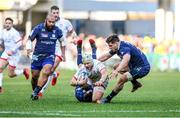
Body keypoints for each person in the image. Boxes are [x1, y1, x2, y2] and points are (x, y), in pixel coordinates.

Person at [98, 34, 150, 103]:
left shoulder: (123, 48)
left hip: (142, 68)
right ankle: (136, 83)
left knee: (122, 79)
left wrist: (116, 71)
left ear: (116, 43)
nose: (109, 47)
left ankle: (108, 99)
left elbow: (126, 60)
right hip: (134, 66)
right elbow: (105, 56)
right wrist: (94, 61)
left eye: (110, 45)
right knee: (116, 66)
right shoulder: (117, 46)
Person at [39, 5, 77, 97]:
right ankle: (55, 74)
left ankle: (41, 91)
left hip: (60, 49)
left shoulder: (65, 22)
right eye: (54, 13)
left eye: (57, 13)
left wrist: (74, 38)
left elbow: (72, 32)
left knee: (49, 70)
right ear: (51, 13)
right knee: (46, 70)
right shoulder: (48, 23)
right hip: (49, 48)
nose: (55, 15)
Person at [26, 14, 64, 100]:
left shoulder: (57, 30)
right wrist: (28, 50)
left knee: (47, 71)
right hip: (37, 56)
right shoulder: (38, 28)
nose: (51, 24)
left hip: (49, 56)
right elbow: (29, 40)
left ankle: (36, 92)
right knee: (35, 76)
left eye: (53, 22)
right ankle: (34, 91)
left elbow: (63, 42)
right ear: (45, 21)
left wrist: (63, 53)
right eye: (49, 22)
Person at [70, 39, 109, 103]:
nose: (86, 65)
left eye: (88, 63)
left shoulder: (97, 64)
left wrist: (101, 81)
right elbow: (71, 82)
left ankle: (88, 49)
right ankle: (80, 49)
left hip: (101, 81)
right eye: (85, 64)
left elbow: (104, 73)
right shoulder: (83, 67)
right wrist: (79, 83)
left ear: (92, 62)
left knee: (95, 100)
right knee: (80, 67)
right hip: (90, 81)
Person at [0, 17, 29, 93]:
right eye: (6, 23)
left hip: (14, 55)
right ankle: (0, 87)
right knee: (0, 68)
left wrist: (12, 51)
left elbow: (19, 43)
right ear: (5, 23)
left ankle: (23, 71)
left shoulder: (15, 33)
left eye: (9, 23)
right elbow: (0, 40)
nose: (7, 24)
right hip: (6, 53)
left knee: (10, 74)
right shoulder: (2, 32)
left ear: (12, 24)